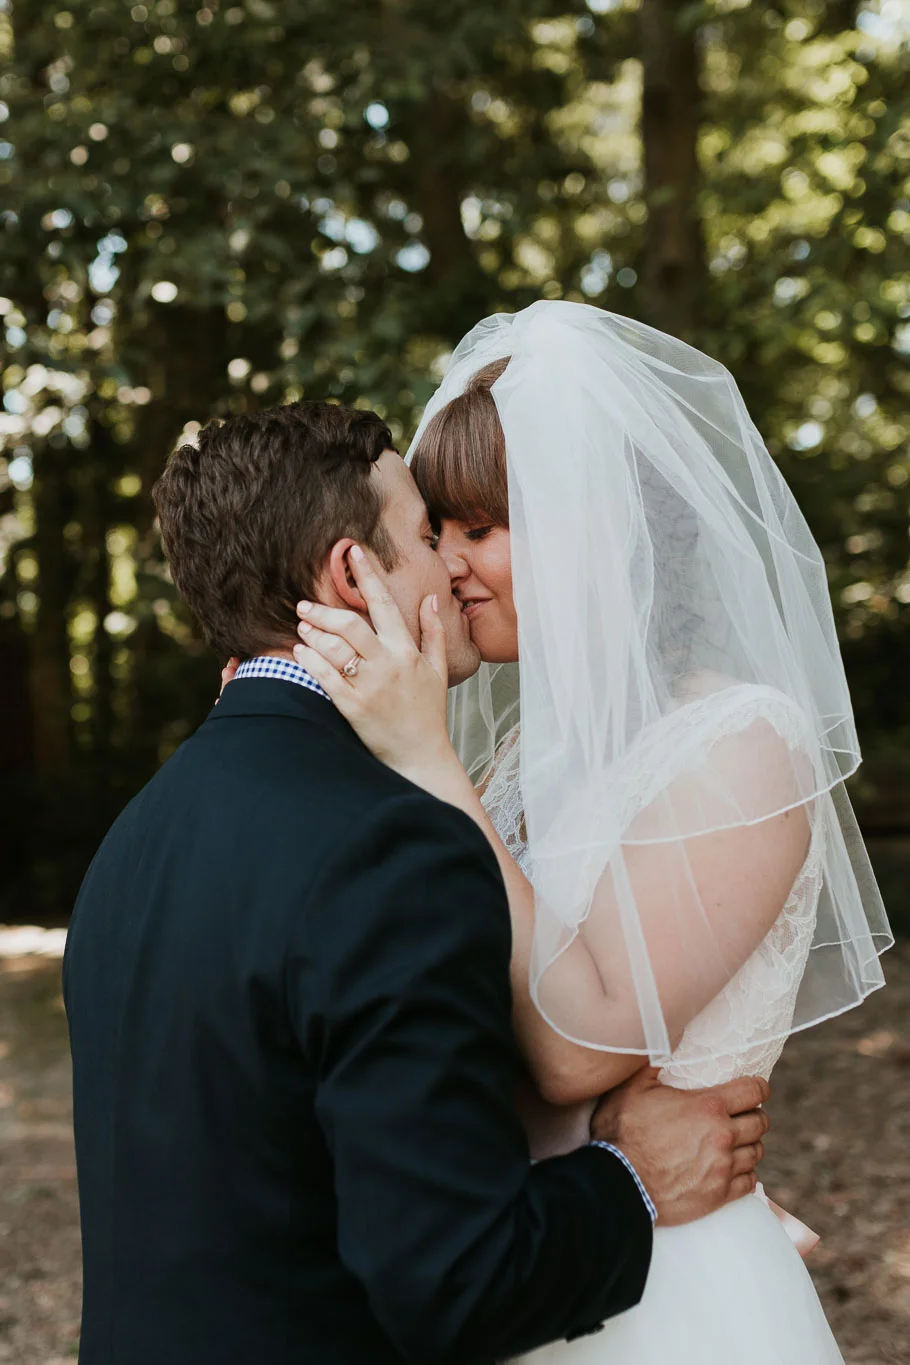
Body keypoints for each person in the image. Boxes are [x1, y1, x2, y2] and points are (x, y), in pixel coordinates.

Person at [63, 399, 768, 1365]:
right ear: (354, 573)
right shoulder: (389, 844)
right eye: (430, 534)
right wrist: (636, 1175)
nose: (452, 564)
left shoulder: (136, 837)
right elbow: (457, 1279)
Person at [285, 302, 892, 1364]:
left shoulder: (743, 743)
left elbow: (577, 1048)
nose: (453, 566)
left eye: (481, 529)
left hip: (666, 1295)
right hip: (534, 1256)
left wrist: (428, 761)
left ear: (593, 525)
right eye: (441, 532)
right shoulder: (520, 759)